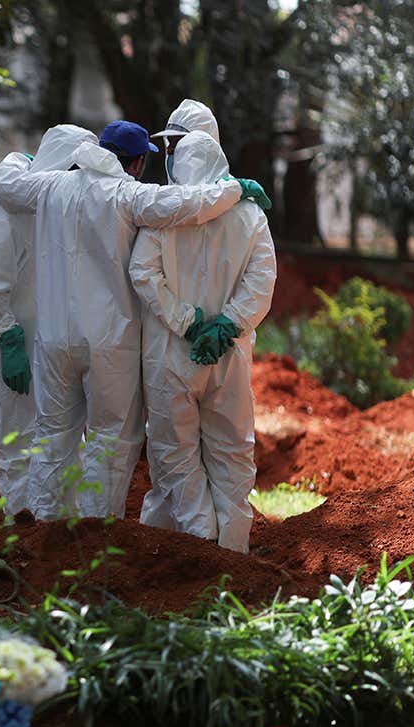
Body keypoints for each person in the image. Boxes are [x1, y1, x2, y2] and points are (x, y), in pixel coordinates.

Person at [0, 120, 270, 522]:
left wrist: (18, 160)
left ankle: (47, 535)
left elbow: (1, 183)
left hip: (52, 343)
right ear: (136, 164)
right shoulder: (127, 194)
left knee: (53, 437)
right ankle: (96, 536)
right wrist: (236, 188)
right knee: (109, 440)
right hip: (108, 344)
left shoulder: (49, 187)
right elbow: (186, 205)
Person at [129, 131, 276, 553]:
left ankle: (195, 539)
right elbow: (261, 282)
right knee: (231, 452)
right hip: (228, 357)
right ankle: (231, 550)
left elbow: (144, 274)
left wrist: (187, 323)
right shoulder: (251, 217)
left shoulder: (166, 215)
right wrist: (225, 327)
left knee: (173, 452)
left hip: (169, 354)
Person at [0, 124, 97, 519]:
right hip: (11, 341)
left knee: (60, 440)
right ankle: (22, 530)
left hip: (49, 339)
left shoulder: (58, 206)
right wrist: (5, 336)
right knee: (17, 440)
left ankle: (59, 529)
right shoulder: (2, 211)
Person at [153, 98, 220, 182]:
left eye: (178, 143)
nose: (169, 150)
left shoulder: (228, 189)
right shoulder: (172, 193)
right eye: (169, 142)